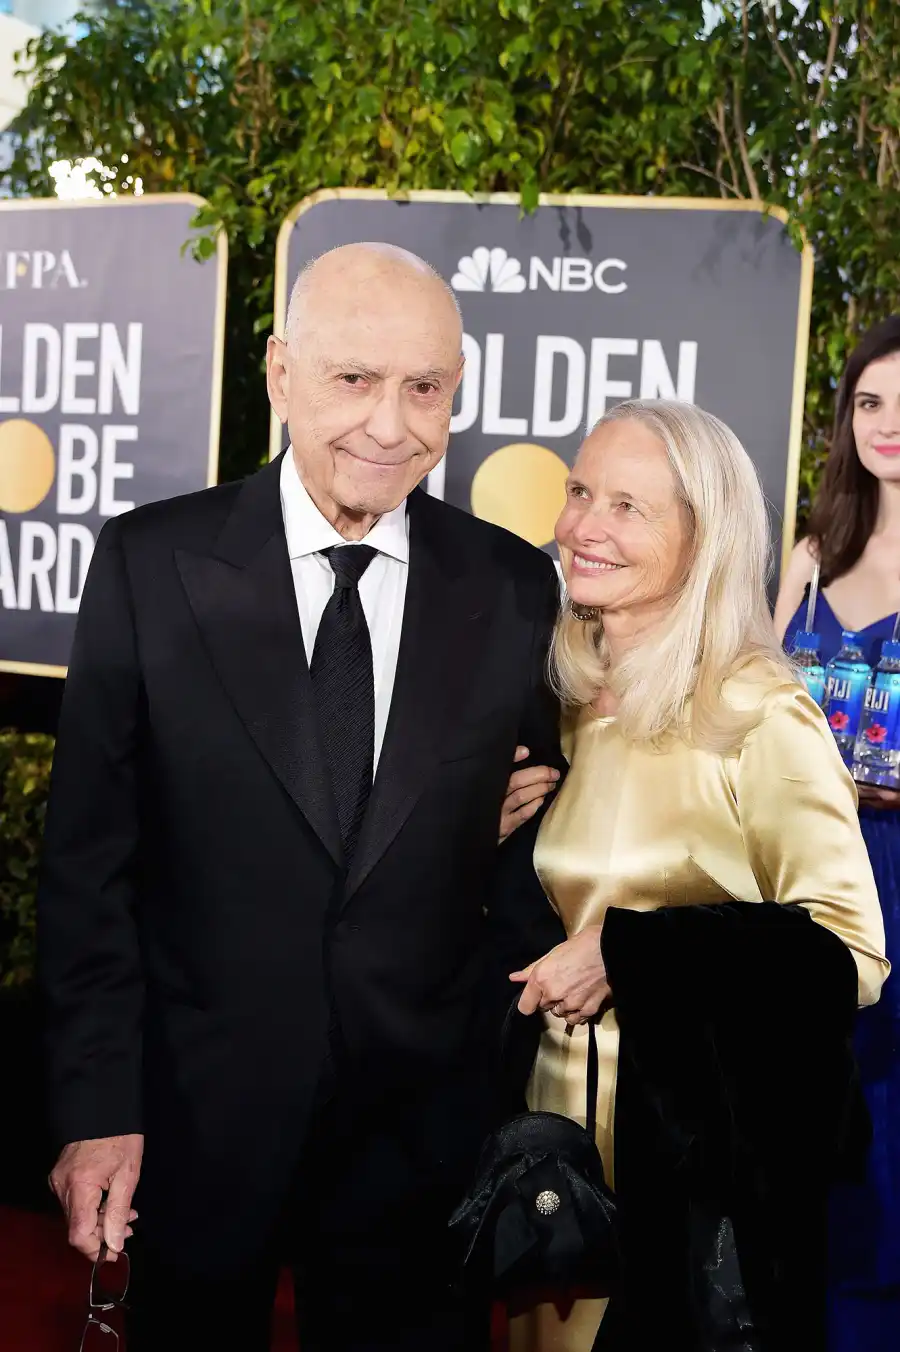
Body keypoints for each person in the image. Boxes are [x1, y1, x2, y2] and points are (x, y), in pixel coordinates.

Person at [37, 242, 567, 1352]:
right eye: (353, 379)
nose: (390, 423)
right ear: (280, 372)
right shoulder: (150, 564)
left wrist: (503, 1097)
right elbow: (90, 869)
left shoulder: (512, 586)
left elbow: (521, 868)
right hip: (196, 1122)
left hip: (422, 1140)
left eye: (424, 387)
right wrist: (97, 1108)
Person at [497, 399, 888, 1351]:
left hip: (694, 1181)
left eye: (629, 506)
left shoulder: (759, 710)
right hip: (544, 1163)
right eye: (581, 490)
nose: (585, 524)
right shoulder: (563, 695)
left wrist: (629, 955)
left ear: (703, 537)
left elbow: (854, 955)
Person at [774, 314, 900, 1352]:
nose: (888, 424)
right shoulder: (814, 555)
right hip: (807, 869)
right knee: (806, 1119)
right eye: (870, 401)